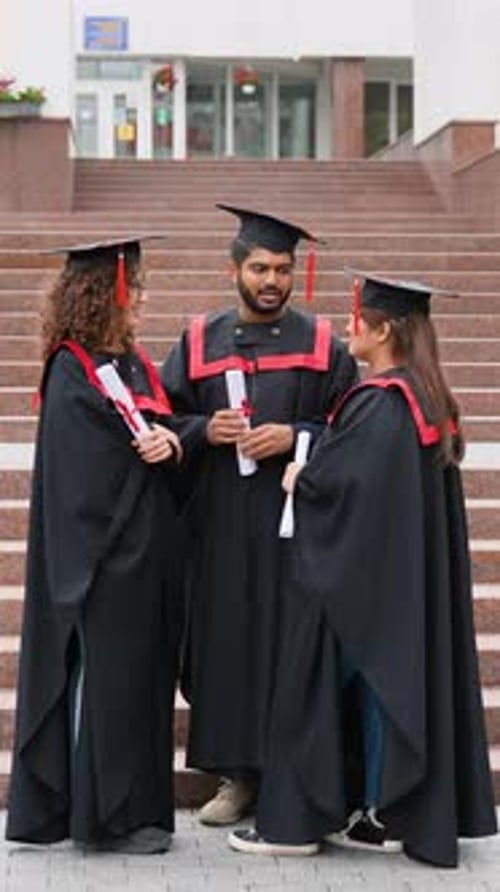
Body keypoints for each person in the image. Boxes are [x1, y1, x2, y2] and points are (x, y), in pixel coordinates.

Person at [228, 272, 498, 867]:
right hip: (399, 583)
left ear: (382, 329)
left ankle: (292, 827)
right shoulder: (426, 399)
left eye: (357, 320)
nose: (349, 327)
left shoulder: (381, 402)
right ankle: (383, 812)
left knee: (316, 688)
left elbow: (347, 486)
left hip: (357, 585)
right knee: (385, 691)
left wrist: (304, 478)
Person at [161, 206, 358, 826]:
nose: (272, 280)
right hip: (219, 527)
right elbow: (160, 423)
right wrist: (201, 429)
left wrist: (296, 436)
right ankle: (235, 777)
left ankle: (291, 776)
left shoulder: (324, 346)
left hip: (295, 527)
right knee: (227, 647)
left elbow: (353, 430)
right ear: (234, 269)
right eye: (260, 268)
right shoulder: (197, 343)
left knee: (289, 645)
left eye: (283, 269)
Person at [6, 236, 184, 855]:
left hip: (148, 560)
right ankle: (105, 820)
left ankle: (143, 810)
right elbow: (85, 471)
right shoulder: (70, 369)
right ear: (102, 292)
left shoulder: (131, 364)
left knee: (142, 690)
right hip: (104, 562)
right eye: (132, 287)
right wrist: (150, 456)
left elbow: (162, 427)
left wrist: (175, 443)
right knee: (109, 690)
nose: (140, 298)